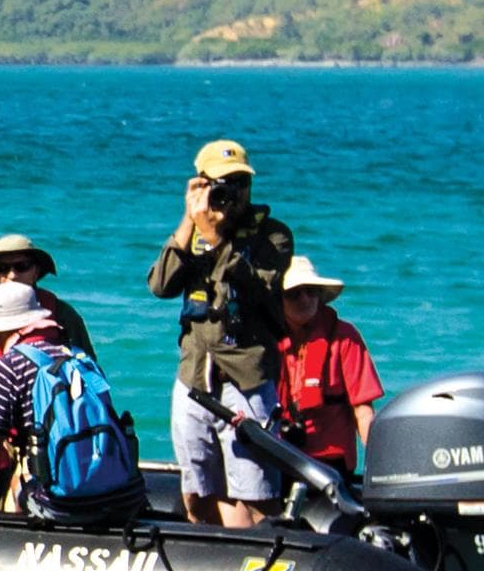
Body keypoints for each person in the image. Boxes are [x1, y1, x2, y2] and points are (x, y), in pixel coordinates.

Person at [148, 139, 295, 528]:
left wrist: (215, 239)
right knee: (197, 492)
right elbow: (160, 286)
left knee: (258, 493)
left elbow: (258, 288)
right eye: (224, 183)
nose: (235, 193)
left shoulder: (274, 236)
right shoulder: (192, 233)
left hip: (244, 379)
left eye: (242, 183)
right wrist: (189, 219)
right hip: (194, 376)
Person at [0, 281, 147, 527]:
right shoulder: (77, 354)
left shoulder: (11, 365)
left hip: (62, 503)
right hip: (119, 493)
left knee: (18, 483)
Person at [274, 257, 384, 481]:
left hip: (330, 461)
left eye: (311, 291)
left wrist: (381, 462)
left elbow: (363, 411)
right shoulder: (265, 339)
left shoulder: (345, 337)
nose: (304, 299)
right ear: (278, 299)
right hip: (276, 454)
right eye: (294, 293)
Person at [0, 234, 96, 394]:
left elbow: (87, 368)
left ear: (36, 271)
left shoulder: (62, 313)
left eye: (21, 266)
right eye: (2, 268)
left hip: (51, 403)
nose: (12, 275)